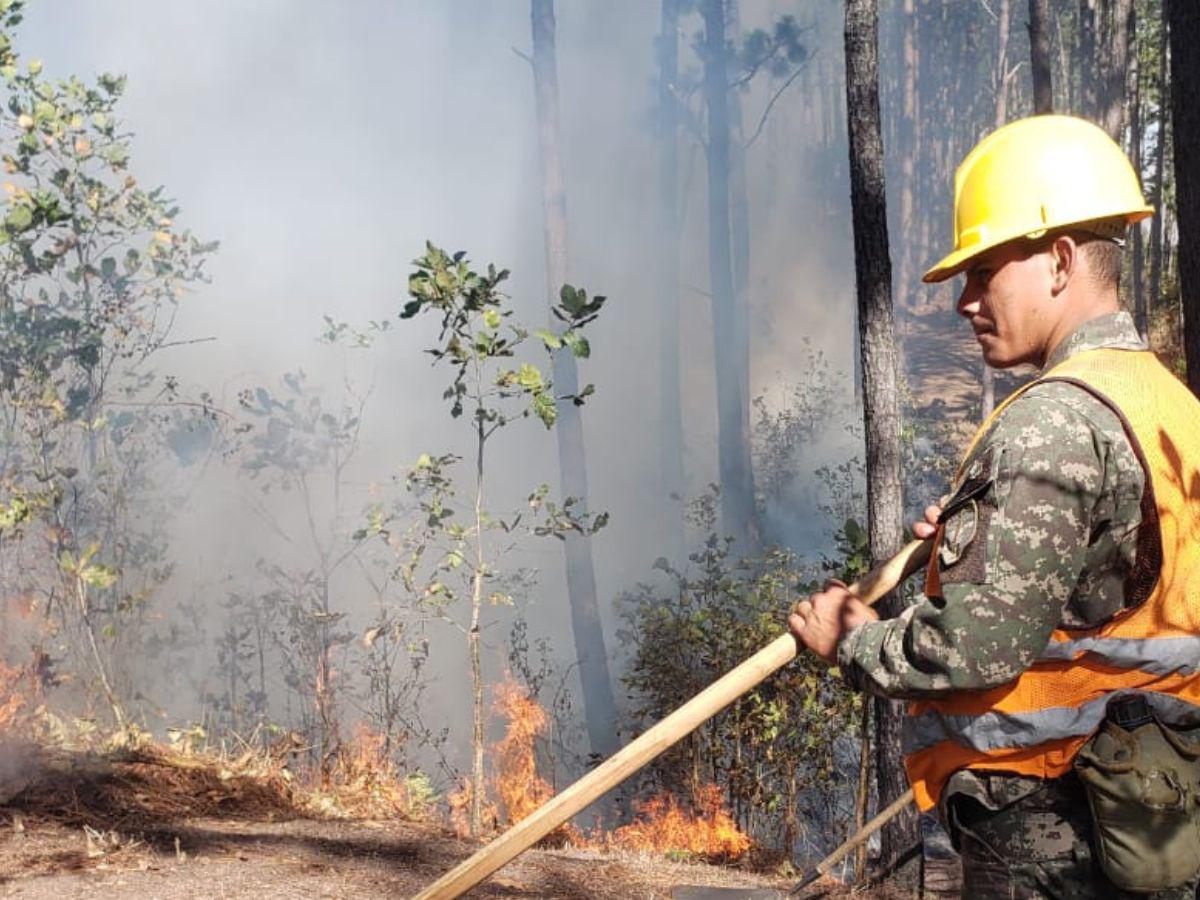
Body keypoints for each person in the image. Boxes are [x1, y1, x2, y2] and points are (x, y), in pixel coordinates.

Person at [788, 114, 1200, 899]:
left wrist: (853, 640)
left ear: (1060, 260)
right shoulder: (1166, 402)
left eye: (983, 272)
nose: (963, 302)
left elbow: (971, 651)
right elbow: (1124, 592)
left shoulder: (1053, 420)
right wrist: (969, 550)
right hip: (1154, 810)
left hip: (1052, 824)